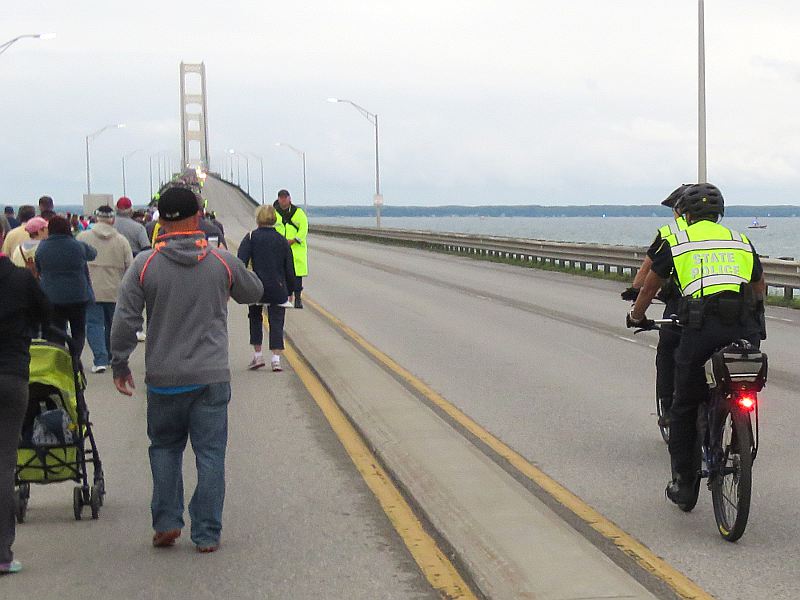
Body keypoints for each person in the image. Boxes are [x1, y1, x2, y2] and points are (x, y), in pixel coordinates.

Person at [110, 187, 263, 553]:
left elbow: (124, 321)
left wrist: (119, 363)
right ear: (199, 216)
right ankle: (207, 533)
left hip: (164, 380)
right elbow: (253, 292)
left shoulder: (144, 264)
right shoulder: (220, 261)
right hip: (210, 378)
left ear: (160, 220)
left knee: (164, 449)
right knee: (210, 455)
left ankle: (166, 523)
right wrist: (229, 275)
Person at [627, 183, 765, 507]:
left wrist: (637, 315)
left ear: (685, 214)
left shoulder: (676, 240)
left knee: (685, 406)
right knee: (740, 380)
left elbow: (649, 285)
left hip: (701, 327)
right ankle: (740, 437)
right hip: (744, 325)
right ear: (719, 215)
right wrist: (755, 317)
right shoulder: (740, 240)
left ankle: (684, 486)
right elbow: (759, 284)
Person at [0, 226, 50, 574]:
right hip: (10, 374)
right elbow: (45, 315)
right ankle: (2, 553)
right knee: (4, 465)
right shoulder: (19, 280)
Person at [621, 184, 690, 427]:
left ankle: (669, 409)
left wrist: (636, 293)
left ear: (680, 210)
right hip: (730, 309)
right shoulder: (720, 233)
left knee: (667, 352)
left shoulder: (670, 234)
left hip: (682, 305)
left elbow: (648, 270)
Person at [237, 205, 296, 372]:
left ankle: (258, 356)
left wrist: (241, 284)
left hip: (256, 285)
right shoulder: (282, 240)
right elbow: (289, 268)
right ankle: (276, 359)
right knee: (277, 321)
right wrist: (291, 290)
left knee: (255, 317)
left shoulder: (250, 237)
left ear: (258, 218)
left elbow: (240, 261)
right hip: (277, 287)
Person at [77, 206, 133, 373]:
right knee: (112, 325)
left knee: (94, 324)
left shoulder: (83, 237)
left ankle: (100, 359)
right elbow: (130, 266)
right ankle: (110, 355)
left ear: (96, 218)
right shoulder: (121, 240)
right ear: (112, 219)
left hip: (90, 287)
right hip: (115, 289)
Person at [35, 216, 97, 356]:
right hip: (78, 296)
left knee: (56, 332)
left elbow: (38, 268)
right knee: (78, 331)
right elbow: (93, 254)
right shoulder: (78, 246)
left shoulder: (42, 247)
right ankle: (74, 356)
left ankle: (59, 359)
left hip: (52, 297)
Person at [273, 189, 308, 308]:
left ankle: (298, 299)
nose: (283, 200)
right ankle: (285, 298)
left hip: (296, 248)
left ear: (289, 198)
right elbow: (272, 228)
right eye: (281, 198)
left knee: (297, 275)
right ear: (278, 199)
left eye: (285, 197)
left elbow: (304, 228)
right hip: (281, 248)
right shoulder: (275, 213)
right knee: (282, 274)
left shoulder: (298, 212)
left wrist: (294, 240)